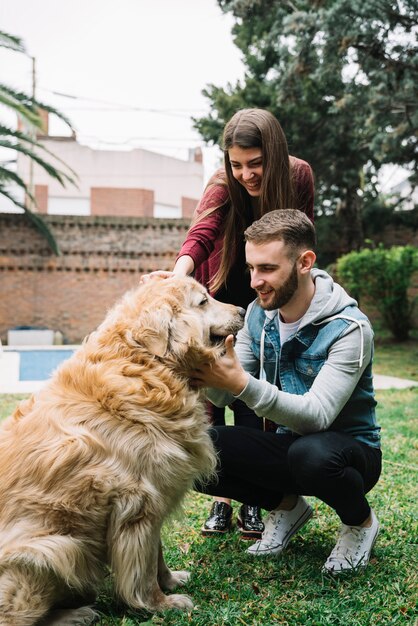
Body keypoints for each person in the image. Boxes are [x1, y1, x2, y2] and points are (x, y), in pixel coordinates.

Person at [146, 108, 315, 539]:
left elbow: (303, 239)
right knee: (210, 394)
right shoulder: (224, 182)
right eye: (237, 164)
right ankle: (222, 501)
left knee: (248, 390)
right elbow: (202, 233)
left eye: (255, 164)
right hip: (218, 290)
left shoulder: (299, 177)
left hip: (267, 290)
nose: (246, 174)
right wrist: (180, 279)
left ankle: (253, 501)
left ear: (274, 155)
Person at [191, 209, 382, 573]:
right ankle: (287, 506)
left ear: (304, 262)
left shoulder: (349, 328)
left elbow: (317, 416)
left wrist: (241, 384)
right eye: (251, 268)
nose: (254, 281)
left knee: (312, 454)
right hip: (289, 447)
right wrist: (207, 372)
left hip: (350, 454)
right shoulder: (257, 316)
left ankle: (360, 524)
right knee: (195, 448)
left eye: (267, 269)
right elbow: (222, 395)